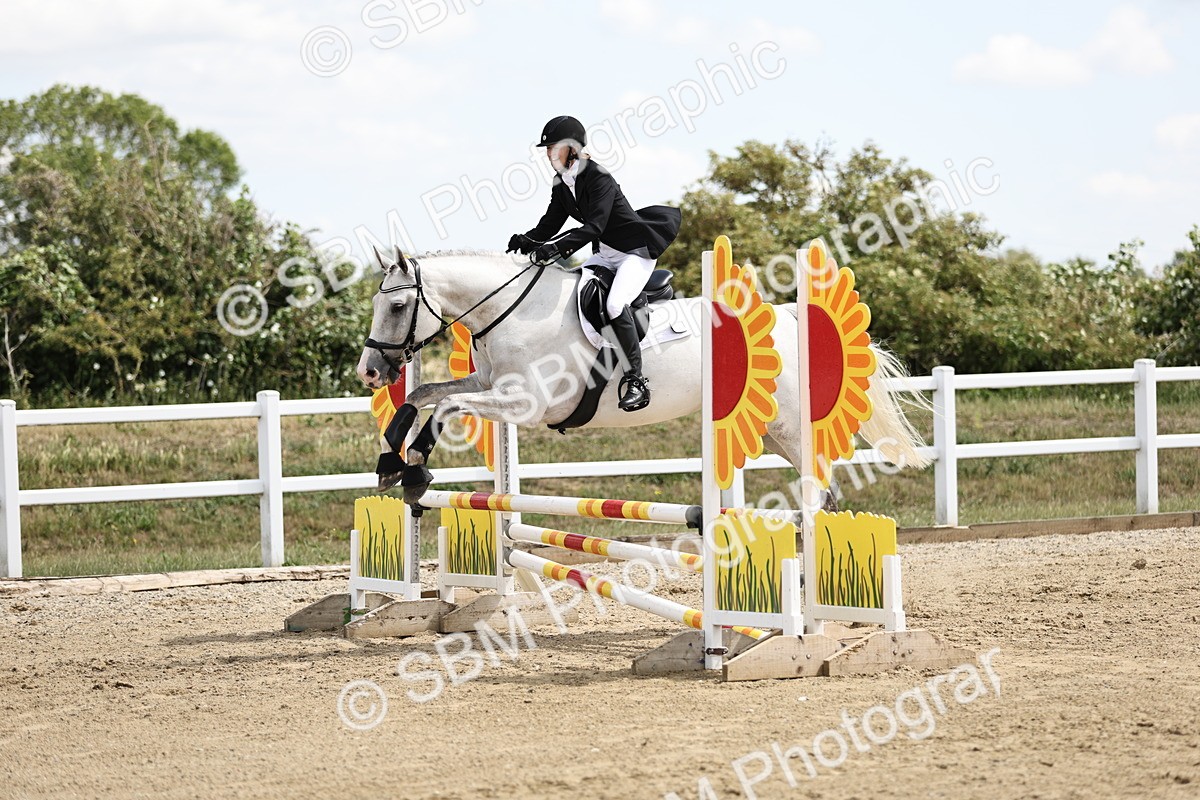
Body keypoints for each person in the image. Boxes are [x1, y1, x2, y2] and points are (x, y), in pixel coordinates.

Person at [507, 115, 681, 412]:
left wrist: (556, 249)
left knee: (614, 306)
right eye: (547, 149)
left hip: (633, 253)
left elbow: (595, 227)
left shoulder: (598, 177)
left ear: (572, 148)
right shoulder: (562, 181)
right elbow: (552, 221)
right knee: (570, 293)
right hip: (605, 253)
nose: (549, 154)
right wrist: (529, 240)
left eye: (554, 148)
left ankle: (636, 380)